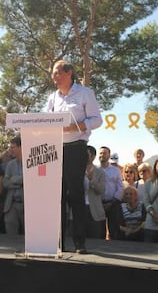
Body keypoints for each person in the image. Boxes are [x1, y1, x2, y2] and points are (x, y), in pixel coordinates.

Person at [46, 59, 103, 254]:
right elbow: (46, 121)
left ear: (68, 73)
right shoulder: (53, 97)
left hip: (76, 148)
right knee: (57, 197)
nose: (53, 77)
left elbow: (97, 120)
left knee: (76, 195)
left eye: (56, 72)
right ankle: (59, 243)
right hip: (55, 148)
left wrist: (76, 126)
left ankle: (80, 243)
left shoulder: (85, 93)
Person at [99, 146, 124, 241]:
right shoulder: (95, 170)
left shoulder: (115, 170)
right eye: (101, 153)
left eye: (105, 153)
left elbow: (120, 187)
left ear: (109, 155)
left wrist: (113, 202)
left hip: (113, 203)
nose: (102, 155)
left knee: (114, 231)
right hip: (99, 204)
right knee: (99, 230)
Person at [3, 136, 24, 235]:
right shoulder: (10, 164)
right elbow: (5, 183)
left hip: (26, 204)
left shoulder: (30, 162)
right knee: (11, 234)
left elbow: (29, 181)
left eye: (13, 147)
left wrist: (14, 179)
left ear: (21, 147)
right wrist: (20, 182)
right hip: (11, 204)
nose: (11, 150)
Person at [84, 145, 106, 239]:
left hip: (94, 210)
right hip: (80, 208)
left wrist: (92, 179)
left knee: (94, 238)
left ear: (93, 156)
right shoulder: (77, 170)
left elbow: (101, 190)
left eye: (87, 154)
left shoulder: (100, 172)